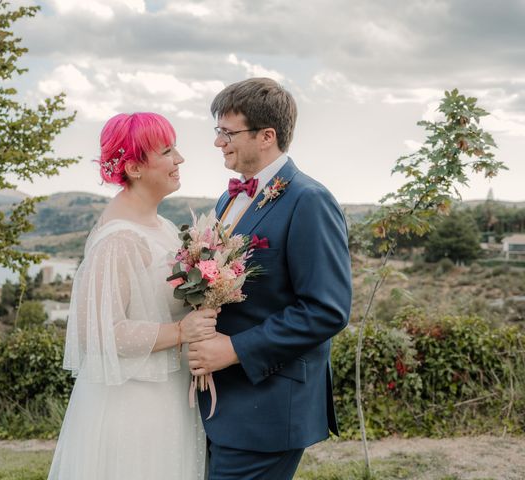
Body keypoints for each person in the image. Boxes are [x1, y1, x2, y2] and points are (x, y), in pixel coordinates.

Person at [188, 78, 352, 479]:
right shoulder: (229, 199)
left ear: (267, 136)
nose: (218, 142)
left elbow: (326, 310)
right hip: (220, 402)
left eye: (227, 132)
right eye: (217, 131)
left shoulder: (309, 200)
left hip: (269, 409)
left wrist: (235, 350)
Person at [48, 112, 215, 480]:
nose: (180, 159)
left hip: (169, 395)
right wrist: (181, 333)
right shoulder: (119, 240)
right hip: (136, 405)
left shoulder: (164, 227)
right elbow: (98, 332)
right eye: (168, 151)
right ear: (134, 168)